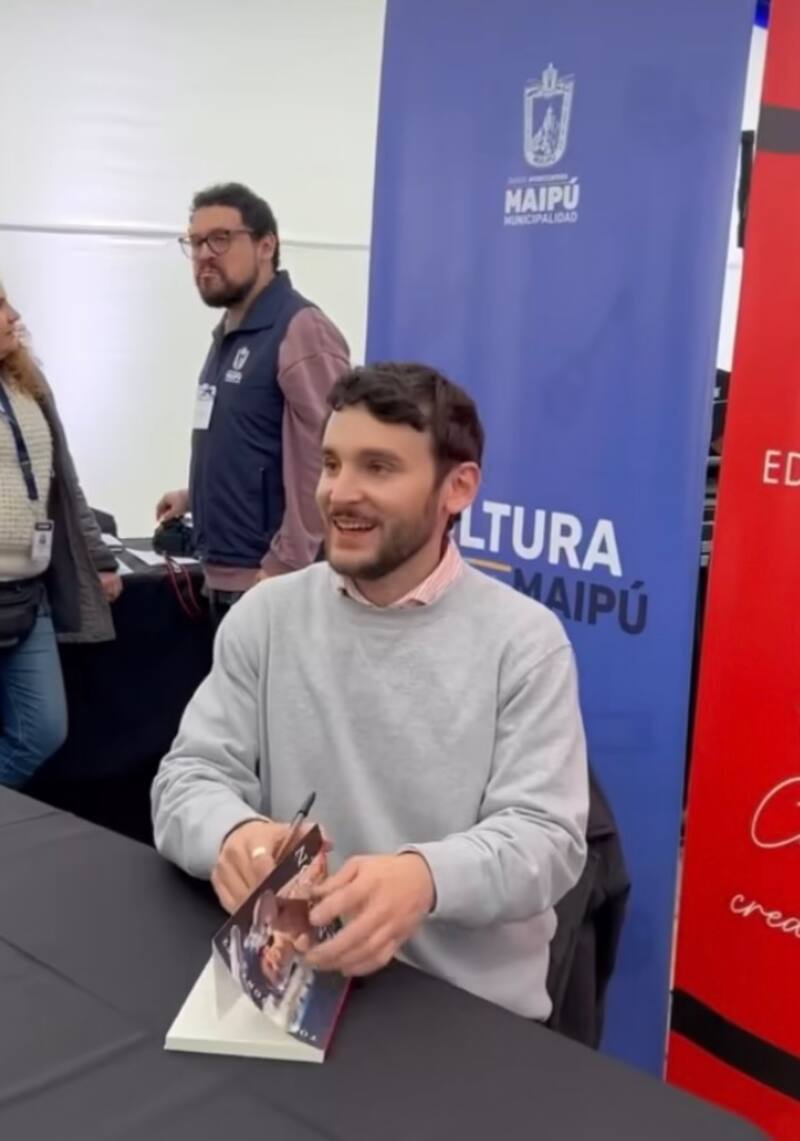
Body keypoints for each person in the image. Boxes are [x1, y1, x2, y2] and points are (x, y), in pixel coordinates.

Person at [152, 362, 588, 1021]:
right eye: (331, 463)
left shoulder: (525, 642)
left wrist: (424, 878)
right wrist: (232, 832)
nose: (340, 492)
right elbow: (188, 778)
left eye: (378, 468)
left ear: (458, 487)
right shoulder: (267, 616)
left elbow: (547, 841)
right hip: (291, 981)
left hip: (460, 1010)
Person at [156, 182, 350, 622]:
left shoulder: (300, 330)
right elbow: (256, 443)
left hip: (273, 584)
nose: (205, 253)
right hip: (227, 575)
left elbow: (328, 461)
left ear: (267, 245)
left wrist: (286, 565)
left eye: (221, 238)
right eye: (195, 241)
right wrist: (194, 496)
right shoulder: (231, 331)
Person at [0, 281, 122, 787]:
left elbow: (65, 486)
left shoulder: (28, 384)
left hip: (31, 593)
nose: (14, 314)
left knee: (44, 731)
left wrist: (99, 558)